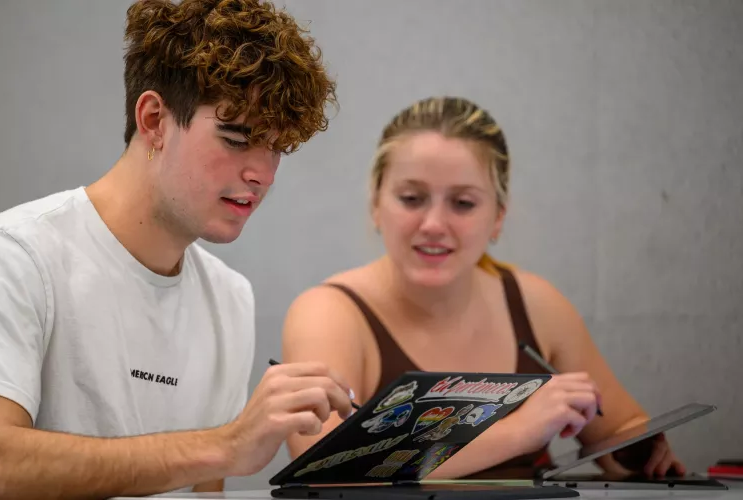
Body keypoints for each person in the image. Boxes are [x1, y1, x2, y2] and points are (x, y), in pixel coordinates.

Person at [0, 1, 354, 498]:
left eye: (277, 147)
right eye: (236, 137)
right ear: (154, 120)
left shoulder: (229, 297)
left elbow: (202, 492)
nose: (263, 174)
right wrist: (226, 444)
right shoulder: (8, 256)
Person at [281, 96, 686, 480]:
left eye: (463, 203)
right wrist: (520, 430)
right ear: (375, 204)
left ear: (497, 218)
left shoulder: (537, 305)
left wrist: (636, 450)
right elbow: (323, 463)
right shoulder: (330, 314)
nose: (434, 224)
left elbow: (618, 429)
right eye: (411, 198)